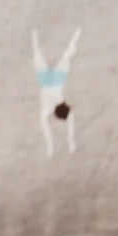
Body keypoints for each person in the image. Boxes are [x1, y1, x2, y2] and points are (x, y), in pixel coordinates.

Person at [32, 28, 81, 157]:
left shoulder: (53, 107)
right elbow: (47, 129)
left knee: (66, 56)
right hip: (48, 82)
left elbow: (69, 120)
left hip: (56, 82)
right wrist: (67, 142)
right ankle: (35, 37)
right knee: (38, 53)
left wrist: (68, 142)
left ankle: (76, 36)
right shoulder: (47, 110)